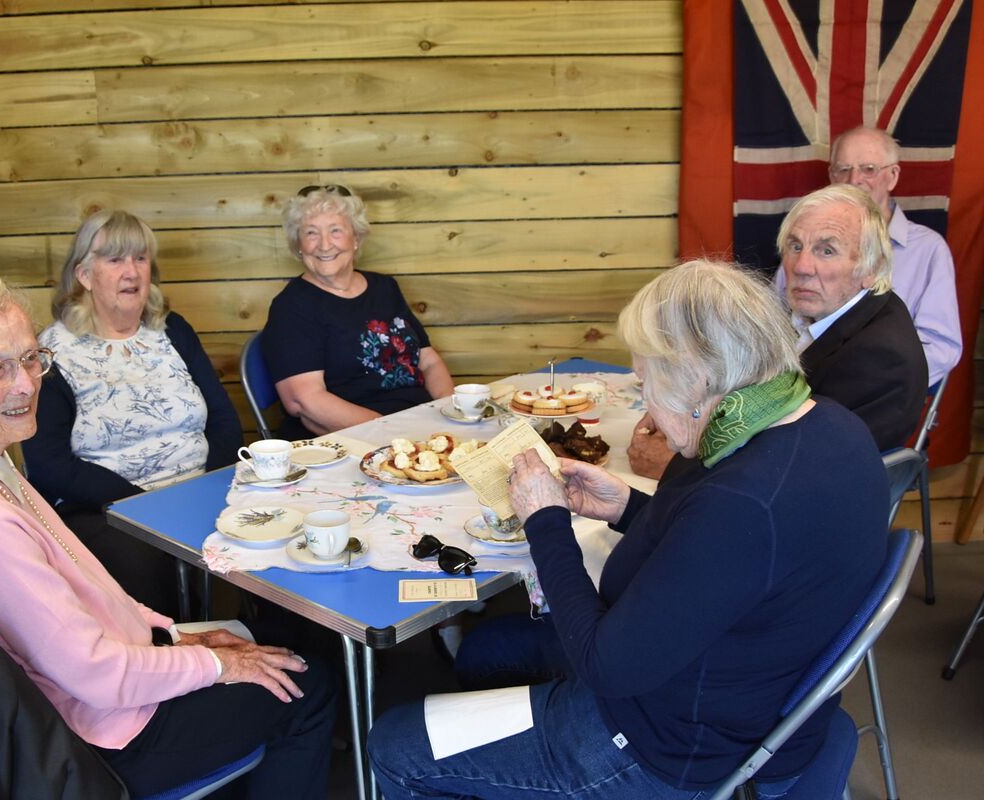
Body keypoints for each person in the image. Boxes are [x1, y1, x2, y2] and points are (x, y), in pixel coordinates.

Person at [368, 260, 888, 799]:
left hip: (661, 745)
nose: (648, 409)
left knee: (392, 745)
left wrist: (546, 521)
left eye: (647, 386)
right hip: (729, 687)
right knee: (487, 655)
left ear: (697, 378)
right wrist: (627, 507)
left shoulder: (741, 503)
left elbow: (606, 668)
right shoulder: (828, 424)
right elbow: (731, 564)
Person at [0, 274, 334, 798]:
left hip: (88, 691)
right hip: (104, 734)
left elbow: (88, 590)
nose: (27, 385)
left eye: (31, 358)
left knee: (267, 655)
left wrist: (178, 636)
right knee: (309, 686)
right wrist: (216, 664)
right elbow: (97, 675)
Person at [23, 209, 242, 613]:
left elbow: (224, 421)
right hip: (108, 510)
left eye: (140, 259)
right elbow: (50, 466)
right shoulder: (53, 352)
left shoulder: (172, 329)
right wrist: (144, 506)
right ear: (85, 275)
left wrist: (207, 489)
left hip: (198, 490)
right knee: (146, 567)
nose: (132, 272)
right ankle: (178, 663)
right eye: (115, 259)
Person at [630, 184, 927, 479]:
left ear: (870, 269)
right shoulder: (814, 310)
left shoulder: (882, 357)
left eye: (827, 250)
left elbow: (800, 468)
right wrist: (680, 413)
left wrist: (675, 465)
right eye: (795, 246)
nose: (802, 266)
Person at [261, 184, 454, 439]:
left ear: (356, 239)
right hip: (356, 438)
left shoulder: (385, 288)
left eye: (336, 231)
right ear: (299, 245)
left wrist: (450, 411)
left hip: (418, 426)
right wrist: (396, 434)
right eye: (311, 233)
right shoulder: (292, 307)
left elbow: (428, 361)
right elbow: (305, 401)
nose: (325, 245)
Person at [820, 126, 960, 386]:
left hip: (881, 392)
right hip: (807, 387)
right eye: (843, 169)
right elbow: (775, 320)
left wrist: (877, 382)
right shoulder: (807, 241)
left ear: (893, 176)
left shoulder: (928, 249)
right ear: (831, 176)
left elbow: (941, 347)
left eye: (869, 169)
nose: (854, 180)